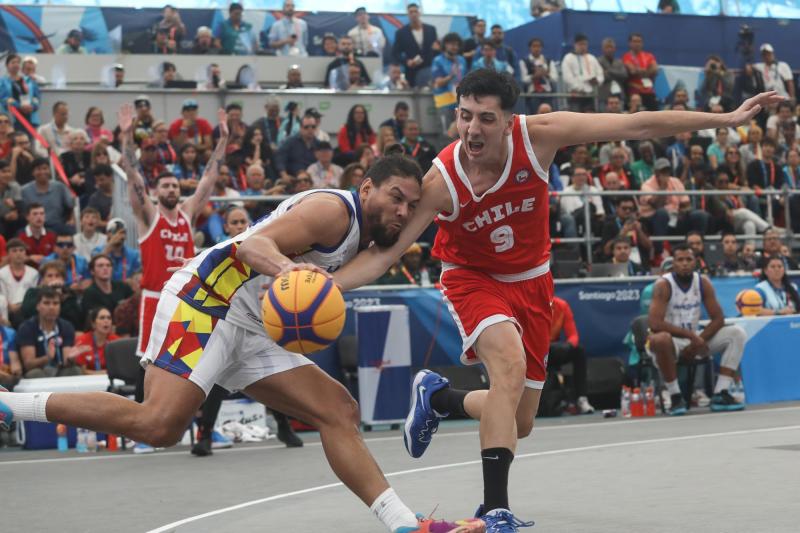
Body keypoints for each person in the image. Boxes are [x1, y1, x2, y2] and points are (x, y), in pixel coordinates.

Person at [330, 69, 779, 530]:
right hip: (472, 278)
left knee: (519, 420)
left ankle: (441, 398)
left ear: (508, 121)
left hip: (532, 281)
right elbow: (386, 256)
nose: (472, 129)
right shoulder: (442, 179)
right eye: (465, 117)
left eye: (486, 118)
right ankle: (495, 511)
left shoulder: (539, 137)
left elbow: (636, 124)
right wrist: (330, 284)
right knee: (507, 367)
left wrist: (723, 119)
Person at [0, 147, 484, 533]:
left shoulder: (371, 238)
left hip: (255, 324)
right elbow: (252, 246)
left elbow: (375, 261)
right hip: (207, 301)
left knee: (338, 410)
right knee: (159, 425)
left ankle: (405, 525)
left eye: (410, 205)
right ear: (366, 187)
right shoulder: (332, 211)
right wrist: (291, 270)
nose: (402, 211)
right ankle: (10, 406)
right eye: (396, 197)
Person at [647, 244, 747, 415]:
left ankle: (720, 393)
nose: (684, 263)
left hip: (694, 338)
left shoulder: (703, 282)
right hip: (671, 341)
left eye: (688, 259)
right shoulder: (663, 285)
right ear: (674, 264)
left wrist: (697, 341)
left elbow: (718, 318)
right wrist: (692, 337)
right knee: (660, 338)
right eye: (680, 260)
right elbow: (655, 324)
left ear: (695, 262)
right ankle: (676, 397)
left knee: (737, 333)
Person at [17, 287, 80, 378]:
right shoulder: (27, 328)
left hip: (60, 371)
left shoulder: (66, 326)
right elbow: (28, 364)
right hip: (40, 372)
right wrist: (47, 358)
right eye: (46, 303)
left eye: (55, 303)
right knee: (35, 373)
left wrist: (71, 359)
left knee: (75, 370)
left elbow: (66, 361)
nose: (51, 307)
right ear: (38, 306)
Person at [548, 296, 594, 413]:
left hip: (553, 349)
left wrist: (568, 346)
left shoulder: (562, 305)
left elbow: (573, 335)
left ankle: (581, 399)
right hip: (535, 350)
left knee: (579, 351)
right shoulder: (532, 305)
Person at [391, 3, 439, 88]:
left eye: (415, 11)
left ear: (419, 13)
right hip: (411, 71)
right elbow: (396, 53)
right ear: (408, 15)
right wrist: (407, 61)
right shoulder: (401, 33)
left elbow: (436, 50)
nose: (413, 14)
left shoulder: (431, 30)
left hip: (428, 68)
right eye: (411, 12)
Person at [432, 33, 467, 134]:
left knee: (460, 134)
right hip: (444, 102)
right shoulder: (438, 60)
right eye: (452, 44)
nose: (455, 47)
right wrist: (451, 76)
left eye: (457, 45)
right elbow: (438, 82)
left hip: (460, 103)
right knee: (445, 134)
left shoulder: (462, 60)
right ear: (445, 45)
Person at [562, 34, 603, 112]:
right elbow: (567, 77)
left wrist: (597, 81)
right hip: (575, 95)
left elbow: (600, 73)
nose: (583, 46)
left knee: (590, 119)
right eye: (580, 44)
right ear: (575, 44)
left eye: (585, 44)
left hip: (590, 95)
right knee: (575, 120)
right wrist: (579, 88)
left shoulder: (592, 58)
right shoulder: (568, 58)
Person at [72, 307, 119, 374]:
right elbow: (82, 372)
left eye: (109, 318)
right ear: (93, 323)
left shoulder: (117, 341)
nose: (106, 321)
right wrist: (104, 373)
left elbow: (120, 368)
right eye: (102, 318)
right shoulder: (82, 340)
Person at [0, 239, 38, 321]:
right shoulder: (1, 273)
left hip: (27, 310)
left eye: (21, 250)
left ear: (25, 253)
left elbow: (33, 295)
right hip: (7, 310)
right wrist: (9, 306)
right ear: (8, 254)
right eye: (14, 251)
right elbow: (2, 295)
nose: (18, 253)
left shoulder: (34, 273)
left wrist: (22, 305)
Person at [0, 54, 40, 131]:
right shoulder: (3, 81)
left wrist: (33, 106)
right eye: (13, 62)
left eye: (18, 62)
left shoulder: (29, 80)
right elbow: (3, 99)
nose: (16, 64)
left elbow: (36, 97)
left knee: (30, 141)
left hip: (30, 117)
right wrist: (19, 106)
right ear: (7, 65)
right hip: (13, 117)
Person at [622, 33, 658, 111]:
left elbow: (655, 69)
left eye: (639, 41)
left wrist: (640, 71)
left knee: (653, 114)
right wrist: (647, 71)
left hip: (648, 90)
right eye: (634, 41)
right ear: (630, 43)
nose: (637, 44)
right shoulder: (626, 56)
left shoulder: (649, 55)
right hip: (634, 91)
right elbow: (632, 71)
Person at [597, 38, 628, 110]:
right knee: (603, 119)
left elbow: (624, 75)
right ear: (602, 48)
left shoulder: (619, 61)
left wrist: (609, 71)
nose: (609, 49)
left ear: (615, 49)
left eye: (611, 47)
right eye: (607, 47)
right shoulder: (598, 61)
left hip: (619, 96)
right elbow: (602, 77)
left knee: (621, 119)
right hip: (604, 96)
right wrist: (617, 74)